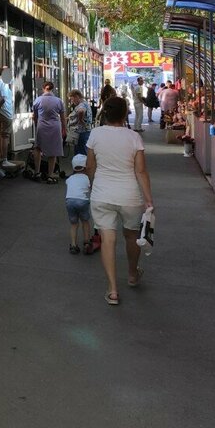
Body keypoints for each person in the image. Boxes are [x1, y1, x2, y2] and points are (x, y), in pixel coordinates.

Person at [86, 96, 155, 306]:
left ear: (105, 113)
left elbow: (90, 166)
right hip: (129, 196)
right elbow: (141, 171)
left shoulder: (95, 134)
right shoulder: (134, 137)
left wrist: (92, 185)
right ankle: (132, 274)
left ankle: (113, 290)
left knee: (107, 239)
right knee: (132, 236)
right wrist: (149, 200)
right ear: (125, 114)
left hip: (102, 194)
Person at [32, 81, 66, 184]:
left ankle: (37, 172)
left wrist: (37, 124)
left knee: (38, 148)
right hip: (55, 127)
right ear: (53, 89)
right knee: (53, 150)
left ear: (43, 89)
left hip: (42, 126)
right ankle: (50, 175)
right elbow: (63, 118)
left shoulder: (38, 100)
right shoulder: (59, 101)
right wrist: (64, 129)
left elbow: (34, 116)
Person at [65, 154, 94, 255]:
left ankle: (73, 245)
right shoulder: (86, 178)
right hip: (82, 201)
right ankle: (86, 242)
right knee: (85, 221)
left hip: (69, 201)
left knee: (74, 224)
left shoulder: (70, 178)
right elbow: (90, 188)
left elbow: (68, 184)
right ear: (85, 167)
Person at [0, 67, 14, 162]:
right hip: (6, 112)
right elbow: (3, 99)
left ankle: (1, 156)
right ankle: (4, 159)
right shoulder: (4, 83)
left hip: (0, 113)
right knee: (5, 136)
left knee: (1, 135)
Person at [67, 89, 92, 156]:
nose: (72, 101)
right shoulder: (85, 103)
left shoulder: (81, 105)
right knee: (83, 151)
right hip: (85, 131)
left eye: (72, 99)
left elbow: (81, 111)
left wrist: (80, 120)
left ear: (76, 96)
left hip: (81, 132)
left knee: (81, 153)